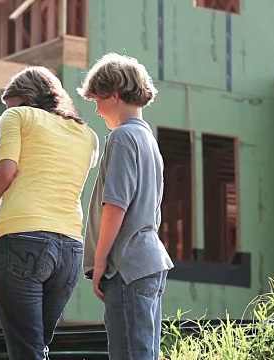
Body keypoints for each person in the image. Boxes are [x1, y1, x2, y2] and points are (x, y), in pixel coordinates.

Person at [0, 66, 99, 360]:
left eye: (11, 105)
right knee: (37, 347)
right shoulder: (88, 135)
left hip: (22, 240)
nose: (8, 112)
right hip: (69, 249)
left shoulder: (18, 116)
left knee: (25, 349)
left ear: (26, 100)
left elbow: (7, 169)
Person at [77, 53, 175, 360]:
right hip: (149, 261)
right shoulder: (148, 139)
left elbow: (115, 206)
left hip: (126, 265)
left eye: (97, 99)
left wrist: (101, 260)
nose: (96, 109)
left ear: (115, 93)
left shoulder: (121, 137)